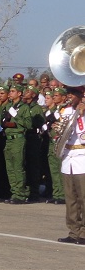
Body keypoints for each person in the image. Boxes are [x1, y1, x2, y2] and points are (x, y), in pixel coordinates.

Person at [56, 86, 85, 244]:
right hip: (68, 158)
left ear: (80, 95)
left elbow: (83, 138)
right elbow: (60, 135)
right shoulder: (65, 111)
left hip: (82, 157)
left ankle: (84, 233)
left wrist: (80, 117)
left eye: (72, 94)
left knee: (83, 198)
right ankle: (73, 231)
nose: (68, 97)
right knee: (71, 198)